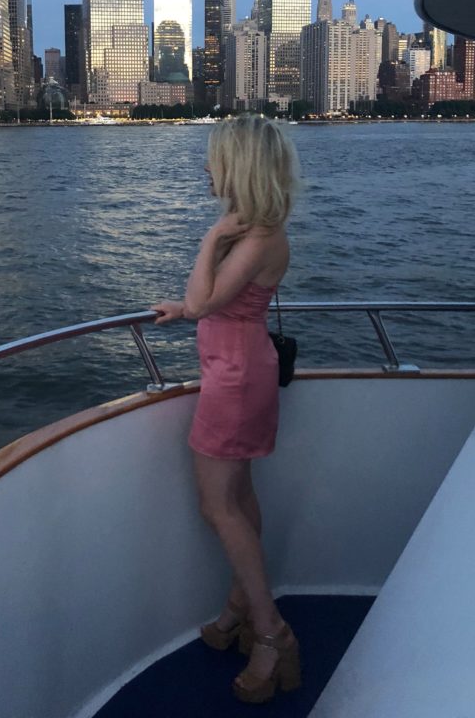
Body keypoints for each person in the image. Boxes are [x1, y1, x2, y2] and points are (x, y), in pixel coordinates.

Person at [151, 114, 301, 705]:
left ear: (238, 166)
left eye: (214, 158)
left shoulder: (255, 237)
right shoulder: (260, 233)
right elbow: (209, 305)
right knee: (237, 498)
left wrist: (211, 238)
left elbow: (205, 299)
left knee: (218, 506)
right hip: (240, 368)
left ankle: (272, 632)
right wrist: (186, 311)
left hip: (235, 380)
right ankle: (241, 606)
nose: (207, 167)